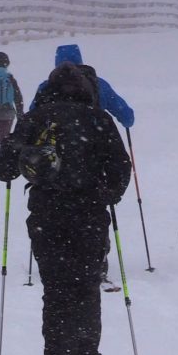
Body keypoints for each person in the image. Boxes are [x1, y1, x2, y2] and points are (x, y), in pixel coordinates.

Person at [0, 62, 131, 355]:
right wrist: (107, 192)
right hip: (89, 218)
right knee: (86, 289)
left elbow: (4, 169)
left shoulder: (37, 118)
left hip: (47, 216)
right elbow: (121, 166)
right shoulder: (100, 120)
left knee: (56, 292)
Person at [30, 44, 135, 290]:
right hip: (93, 156)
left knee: (54, 209)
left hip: (54, 161)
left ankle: (56, 263)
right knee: (93, 208)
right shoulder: (99, 84)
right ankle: (97, 264)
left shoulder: (47, 87)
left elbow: (31, 118)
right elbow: (127, 115)